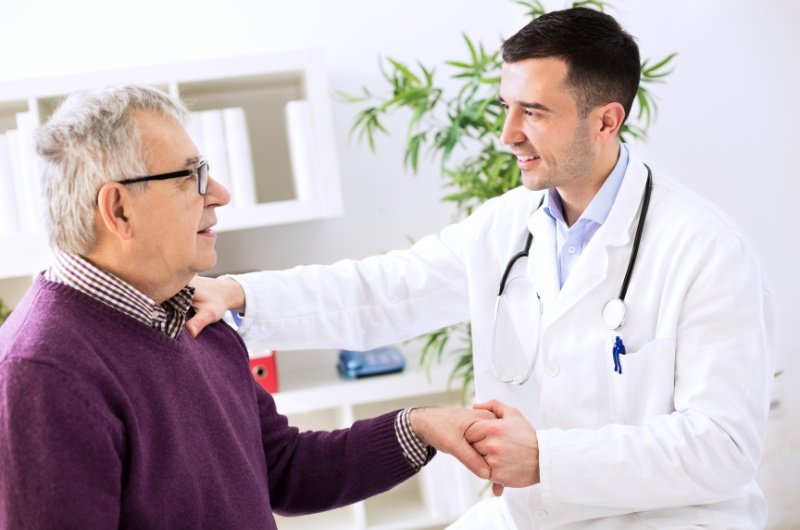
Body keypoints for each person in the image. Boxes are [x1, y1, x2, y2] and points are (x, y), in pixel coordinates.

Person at [188, 8, 774, 530]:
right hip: (534, 512)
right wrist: (238, 294)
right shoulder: (505, 226)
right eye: (506, 107)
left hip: (669, 517)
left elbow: (723, 447)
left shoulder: (705, 249)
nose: (507, 134)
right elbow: (385, 289)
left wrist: (545, 457)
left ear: (605, 121)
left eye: (534, 112)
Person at [0, 85, 496, 529]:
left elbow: (283, 468)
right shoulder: (42, 373)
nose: (218, 194)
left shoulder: (192, 317)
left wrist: (420, 426)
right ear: (119, 209)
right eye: (191, 177)